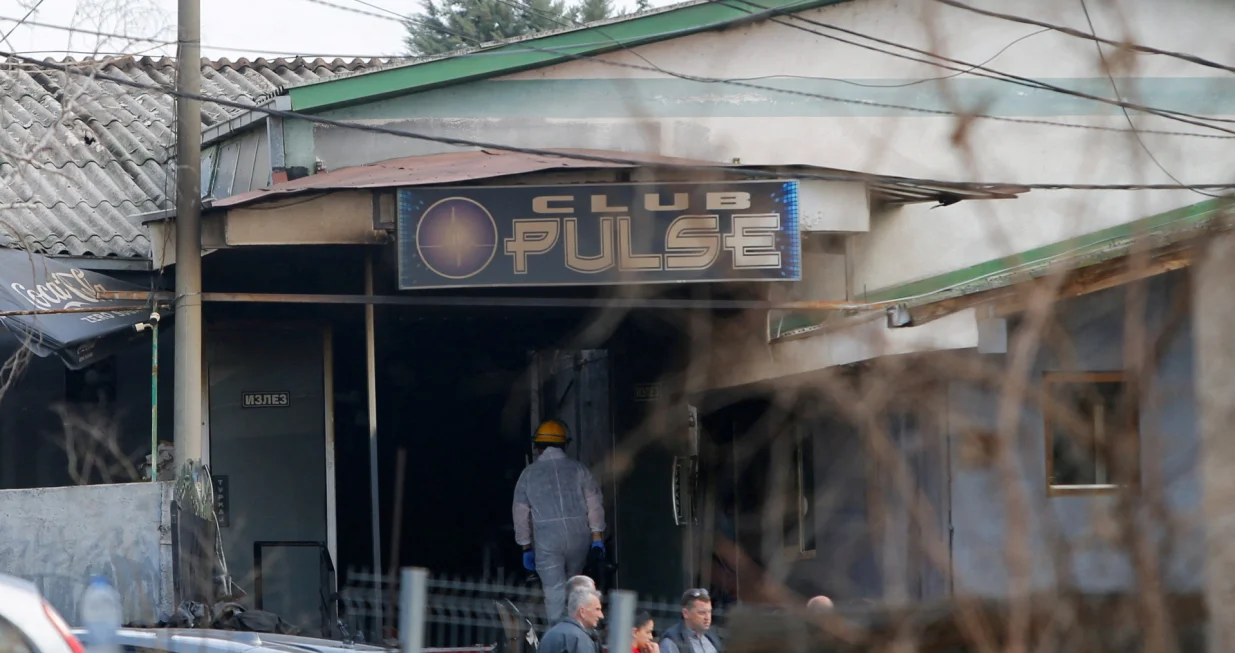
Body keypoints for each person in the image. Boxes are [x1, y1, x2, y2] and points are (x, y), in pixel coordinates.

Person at [513, 419, 606, 622]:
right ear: (564, 444)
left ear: (538, 446)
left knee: (555, 592)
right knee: (577, 587)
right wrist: (597, 536)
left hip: (547, 540)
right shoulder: (579, 469)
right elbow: (594, 503)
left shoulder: (529, 474)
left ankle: (558, 639)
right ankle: (580, 631)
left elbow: (520, 513)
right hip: (579, 537)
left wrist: (525, 546)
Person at [538, 587, 605, 653]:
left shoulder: (549, 634)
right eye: (597, 609)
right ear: (582, 612)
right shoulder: (580, 639)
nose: (601, 615)